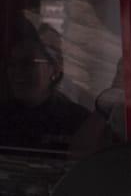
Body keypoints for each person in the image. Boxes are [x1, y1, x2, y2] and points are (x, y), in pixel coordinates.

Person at [0, 20, 90, 152]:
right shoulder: (3, 116)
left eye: (28, 63)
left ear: (54, 69)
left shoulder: (78, 122)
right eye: (11, 63)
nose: (16, 71)